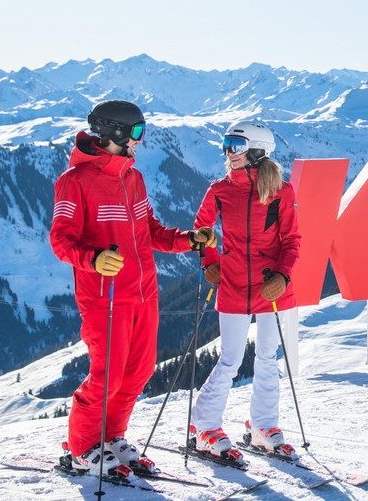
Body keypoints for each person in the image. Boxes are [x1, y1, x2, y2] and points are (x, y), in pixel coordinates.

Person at [50, 99, 217, 475]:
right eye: (138, 132)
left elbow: (150, 231)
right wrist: (93, 259)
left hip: (145, 292)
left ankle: (111, 436)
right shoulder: (73, 182)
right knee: (106, 375)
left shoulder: (132, 178)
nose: (140, 141)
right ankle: (82, 446)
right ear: (116, 133)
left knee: (138, 372)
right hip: (105, 298)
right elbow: (60, 240)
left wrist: (188, 239)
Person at [188, 120, 301, 461]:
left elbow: (292, 241)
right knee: (231, 359)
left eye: (235, 146)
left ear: (256, 152)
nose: (227, 152)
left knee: (268, 358)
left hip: (271, 288)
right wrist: (209, 261)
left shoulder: (282, 191)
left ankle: (264, 427)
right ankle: (204, 426)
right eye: (225, 144)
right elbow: (202, 228)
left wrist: (283, 275)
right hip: (235, 283)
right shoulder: (220, 190)